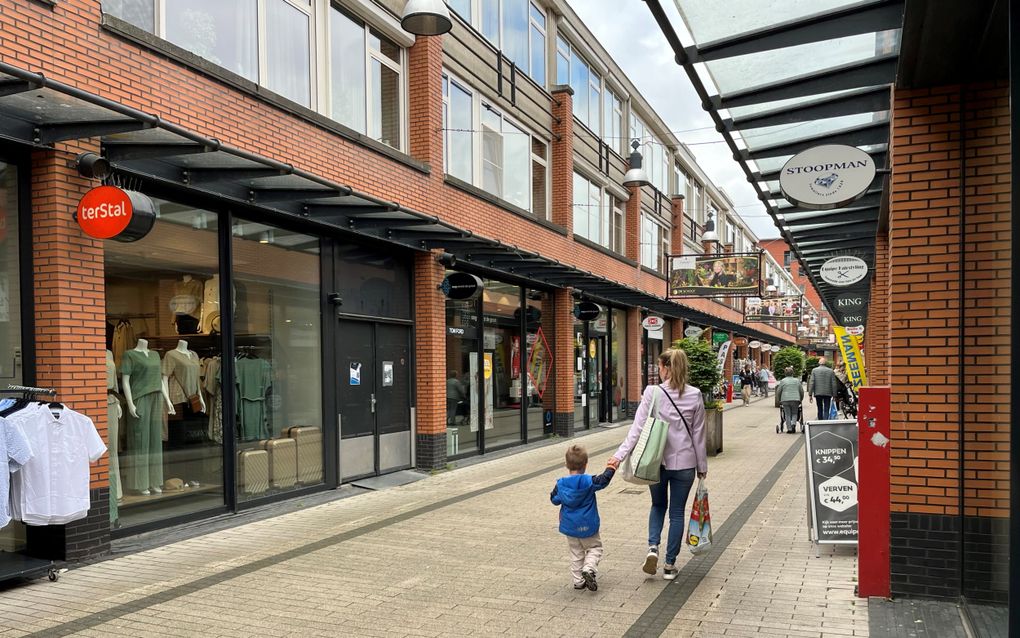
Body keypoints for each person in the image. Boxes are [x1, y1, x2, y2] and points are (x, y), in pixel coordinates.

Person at [608, 349, 708, 580]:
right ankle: (670, 565)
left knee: (657, 505)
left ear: (664, 367)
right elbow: (699, 435)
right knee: (677, 513)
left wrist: (619, 455)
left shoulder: (653, 392)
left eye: (660, 366)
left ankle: (653, 547)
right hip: (685, 464)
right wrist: (702, 466)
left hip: (657, 462)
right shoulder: (695, 394)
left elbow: (638, 428)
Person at [550, 444, 615, 591]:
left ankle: (578, 581)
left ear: (566, 465)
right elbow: (603, 480)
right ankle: (589, 569)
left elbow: (554, 500)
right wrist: (611, 467)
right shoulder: (588, 481)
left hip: (570, 526)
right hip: (588, 525)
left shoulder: (560, 484)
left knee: (576, 553)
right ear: (585, 465)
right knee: (595, 548)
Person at [775, 366, 804, 433]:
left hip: (785, 400)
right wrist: (801, 399)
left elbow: (779, 391)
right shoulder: (797, 381)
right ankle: (793, 424)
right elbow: (801, 391)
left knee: (787, 414)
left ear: (785, 373)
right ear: (792, 373)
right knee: (794, 413)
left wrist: (779, 400)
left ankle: (789, 429)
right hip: (795, 399)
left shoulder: (783, 381)